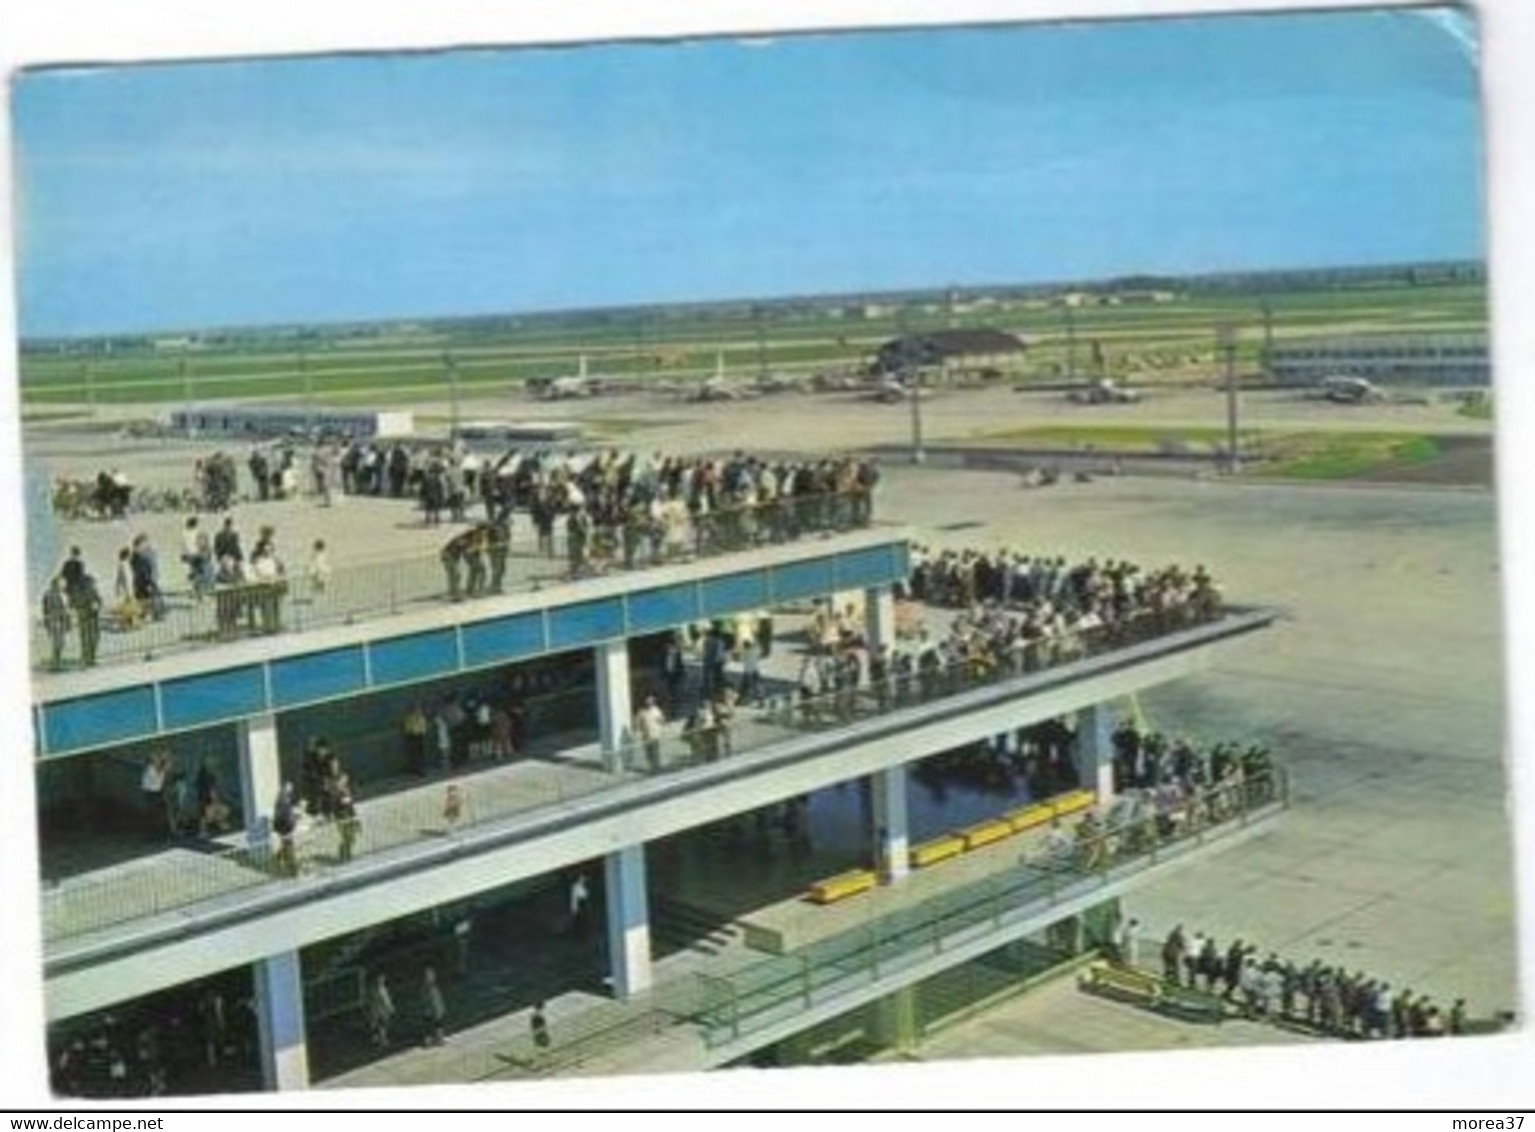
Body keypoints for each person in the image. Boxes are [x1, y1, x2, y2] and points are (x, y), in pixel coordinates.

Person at [42, 576, 72, 670]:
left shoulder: (64, 594)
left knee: (61, 643)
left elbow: (66, 607)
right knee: (57, 643)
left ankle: (57, 663)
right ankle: (55, 665)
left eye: (64, 582)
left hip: (63, 621)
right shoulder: (50, 594)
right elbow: (49, 609)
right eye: (62, 582)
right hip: (55, 621)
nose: (64, 584)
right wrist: (53, 621)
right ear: (56, 583)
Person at [633, 696, 666, 772]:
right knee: (648, 752)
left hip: (655, 735)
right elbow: (637, 723)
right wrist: (638, 732)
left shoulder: (656, 710)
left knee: (655, 751)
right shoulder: (641, 712)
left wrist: (662, 724)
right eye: (647, 703)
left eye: (650, 703)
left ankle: (657, 766)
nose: (649, 704)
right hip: (646, 736)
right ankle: (651, 767)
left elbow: (661, 720)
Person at [334, 774, 360, 863]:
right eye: (342, 781)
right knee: (346, 838)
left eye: (345, 780)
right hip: (343, 820)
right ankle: (343, 855)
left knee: (351, 838)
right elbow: (336, 809)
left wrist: (355, 817)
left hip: (349, 818)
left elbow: (350, 806)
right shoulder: (337, 794)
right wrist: (339, 819)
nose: (344, 782)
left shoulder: (347, 791)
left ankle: (348, 854)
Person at [419, 967, 446, 1047]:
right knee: (434, 1026)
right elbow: (431, 1000)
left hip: (432, 1010)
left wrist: (441, 1008)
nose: (432, 977)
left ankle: (436, 1040)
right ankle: (433, 1041)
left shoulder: (432, 987)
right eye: (430, 975)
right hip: (431, 1011)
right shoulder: (428, 988)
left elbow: (437, 999)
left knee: (436, 1025)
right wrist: (438, 1009)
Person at [366, 975, 395, 1048]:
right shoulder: (380, 990)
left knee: (377, 1026)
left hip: (376, 1011)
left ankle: (377, 1040)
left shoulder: (373, 990)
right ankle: (382, 1041)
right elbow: (385, 1001)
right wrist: (390, 1008)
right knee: (382, 1026)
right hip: (380, 1011)